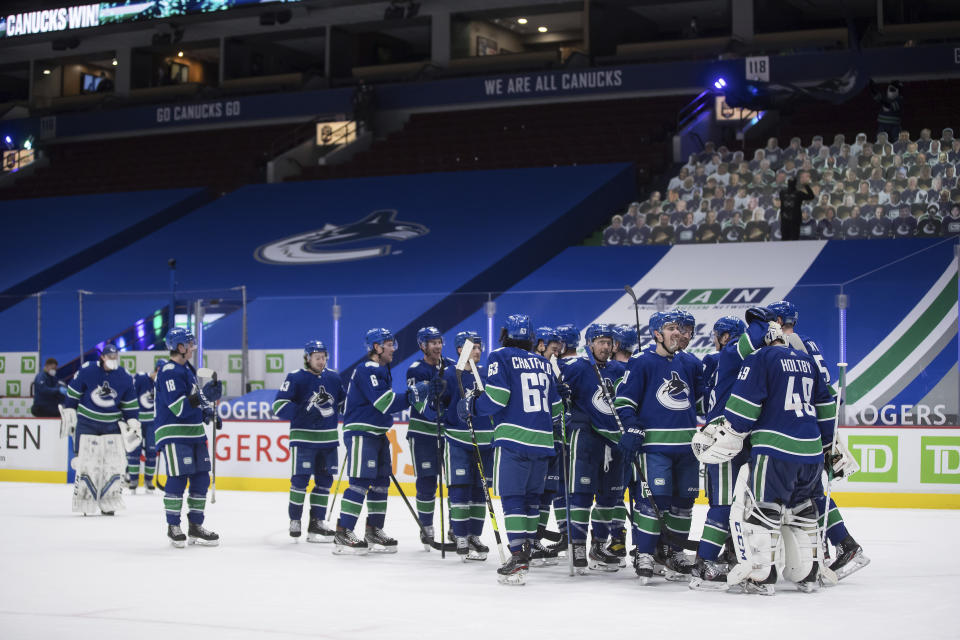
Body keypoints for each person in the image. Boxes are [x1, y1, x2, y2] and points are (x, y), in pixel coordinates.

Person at [697, 326, 836, 594]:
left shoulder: (760, 358)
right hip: (812, 452)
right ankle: (809, 574)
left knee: (764, 512)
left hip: (775, 449)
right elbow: (826, 405)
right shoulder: (806, 360)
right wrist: (828, 444)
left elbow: (745, 404)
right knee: (803, 512)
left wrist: (732, 431)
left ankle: (761, 577)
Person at [766, 301, 869, 580]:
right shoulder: (809, 343)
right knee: (813, 491)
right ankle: (827, 547)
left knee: (809, 494)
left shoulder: (787, 344)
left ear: (776, 319)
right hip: (819, 421)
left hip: (801, 424)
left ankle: (841, 544)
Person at [457, 314, 563, 585]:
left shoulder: (500, 356)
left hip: (513, 439)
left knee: (514, 500)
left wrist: (472, 406)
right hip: (543, 442)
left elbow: (497, 398)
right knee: (530, 500)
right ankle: (526, 550)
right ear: (530, 338)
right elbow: (557, 409)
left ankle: (517, 556)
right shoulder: (542, 362)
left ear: (505, 335)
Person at [615, 310, 706, 584]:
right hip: (655, 447)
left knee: (684, 503)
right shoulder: (642, 362)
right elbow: (624, 401)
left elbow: (701, 403)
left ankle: (675, 552)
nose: (677, 333)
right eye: (670, 328)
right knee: (654, 501)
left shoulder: (691, 363)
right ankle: (645, 553)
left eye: (679, 328)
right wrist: (631, 426)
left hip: (688, 448)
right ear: (656, 333)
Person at [335, 328, 436, 555]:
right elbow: (384, 402)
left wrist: (413, 395)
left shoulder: (381, 369)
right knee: (360, 482)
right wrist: (413, 395)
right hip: (362, 432)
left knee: (380, 483)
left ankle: (374, 529)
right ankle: (343, 530)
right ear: (376, 347)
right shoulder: (368, 369)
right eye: (389, 344)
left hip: (378, 434)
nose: (393, 349)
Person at [689, 312, 770, 590]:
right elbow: (755, 337)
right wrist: (765, 320)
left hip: (734, 436)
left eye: (716, 336)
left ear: (723, 336)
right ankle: (704, 562)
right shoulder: (733, 354)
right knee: (724, 505)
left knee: (738, 504)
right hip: (723, 437)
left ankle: (731, 553)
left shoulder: (720, 358)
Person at [560, 323, 626, 573]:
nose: (605, 347)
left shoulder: (619, 369)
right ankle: (577, 545)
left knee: (610, 497)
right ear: (589, 344)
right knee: (582, 494)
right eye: (600, 342)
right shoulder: (577, 368)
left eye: (609, 342)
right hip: (586, 438)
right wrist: (562, 397)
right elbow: (559, 398)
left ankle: (598, 545)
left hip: (615, 440)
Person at [422, 331, 491, 561]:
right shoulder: (449, 375)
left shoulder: (487, 375)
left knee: (480, 492)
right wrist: (434, 398)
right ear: (460, 350)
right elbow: (434, 411)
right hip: (457, 441)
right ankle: (460, 535)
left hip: (484, 442)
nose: (478, 351)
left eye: (480, 347)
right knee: (460, 488)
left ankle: (474, 535)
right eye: (473, 347)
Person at [155, 329, 222, 547]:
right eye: (189, 344)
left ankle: (195, 526)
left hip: (194, 433)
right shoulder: (168, 371)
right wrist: (204, 396)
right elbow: (179, 407)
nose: (193, 347)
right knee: (178, 476)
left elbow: (193, 402)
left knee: (202, 477)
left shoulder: (187, 370)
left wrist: (208, 411)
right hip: (174, 433)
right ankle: (173, 526)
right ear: (179, 347)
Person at [273, 340, 345, 542]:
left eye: (323, 357)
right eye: (317, 358)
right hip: (303, 439)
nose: (321, 361)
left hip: (329, 439)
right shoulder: (296, 377)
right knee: (300, 480)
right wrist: (303, 411)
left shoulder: (333, 377)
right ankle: (295, 520)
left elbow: (344, 403)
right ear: (307, 358)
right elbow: (278, 406)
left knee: (324, 482)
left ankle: (317, 524)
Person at [61, 344, 140, 516]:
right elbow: (73, 394)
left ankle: (109, 500)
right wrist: (69, 408)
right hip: (87, 422)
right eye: (110, 356)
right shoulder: (87, 370)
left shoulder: (124, 376)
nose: (113, 359)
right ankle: (85, 500)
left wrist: (133, 421)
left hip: (111, 425)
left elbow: (130, 404)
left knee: (113, 464)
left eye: (115, 356)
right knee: (87, 463)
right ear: (102, 357)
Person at [405, 326, 456, 549]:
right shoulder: (415, 370)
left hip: (448, 434)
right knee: (426, 482)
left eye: (439, 341)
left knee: (456, 482)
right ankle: (426, 527)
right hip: (423, 434)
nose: (437, 346)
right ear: (422, 345)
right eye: (432, 342)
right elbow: (417, 403)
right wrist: (434, 407)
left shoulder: (452, 366)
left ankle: (457, 527)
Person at [126, 359, 164, 493]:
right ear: (157, 370)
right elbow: (130, 396)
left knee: (152, 452)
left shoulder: (163, 384)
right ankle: (133, 480)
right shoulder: (140, 378)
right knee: (134, 451)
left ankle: (149, 480)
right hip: (137, 422)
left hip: (153, 423)